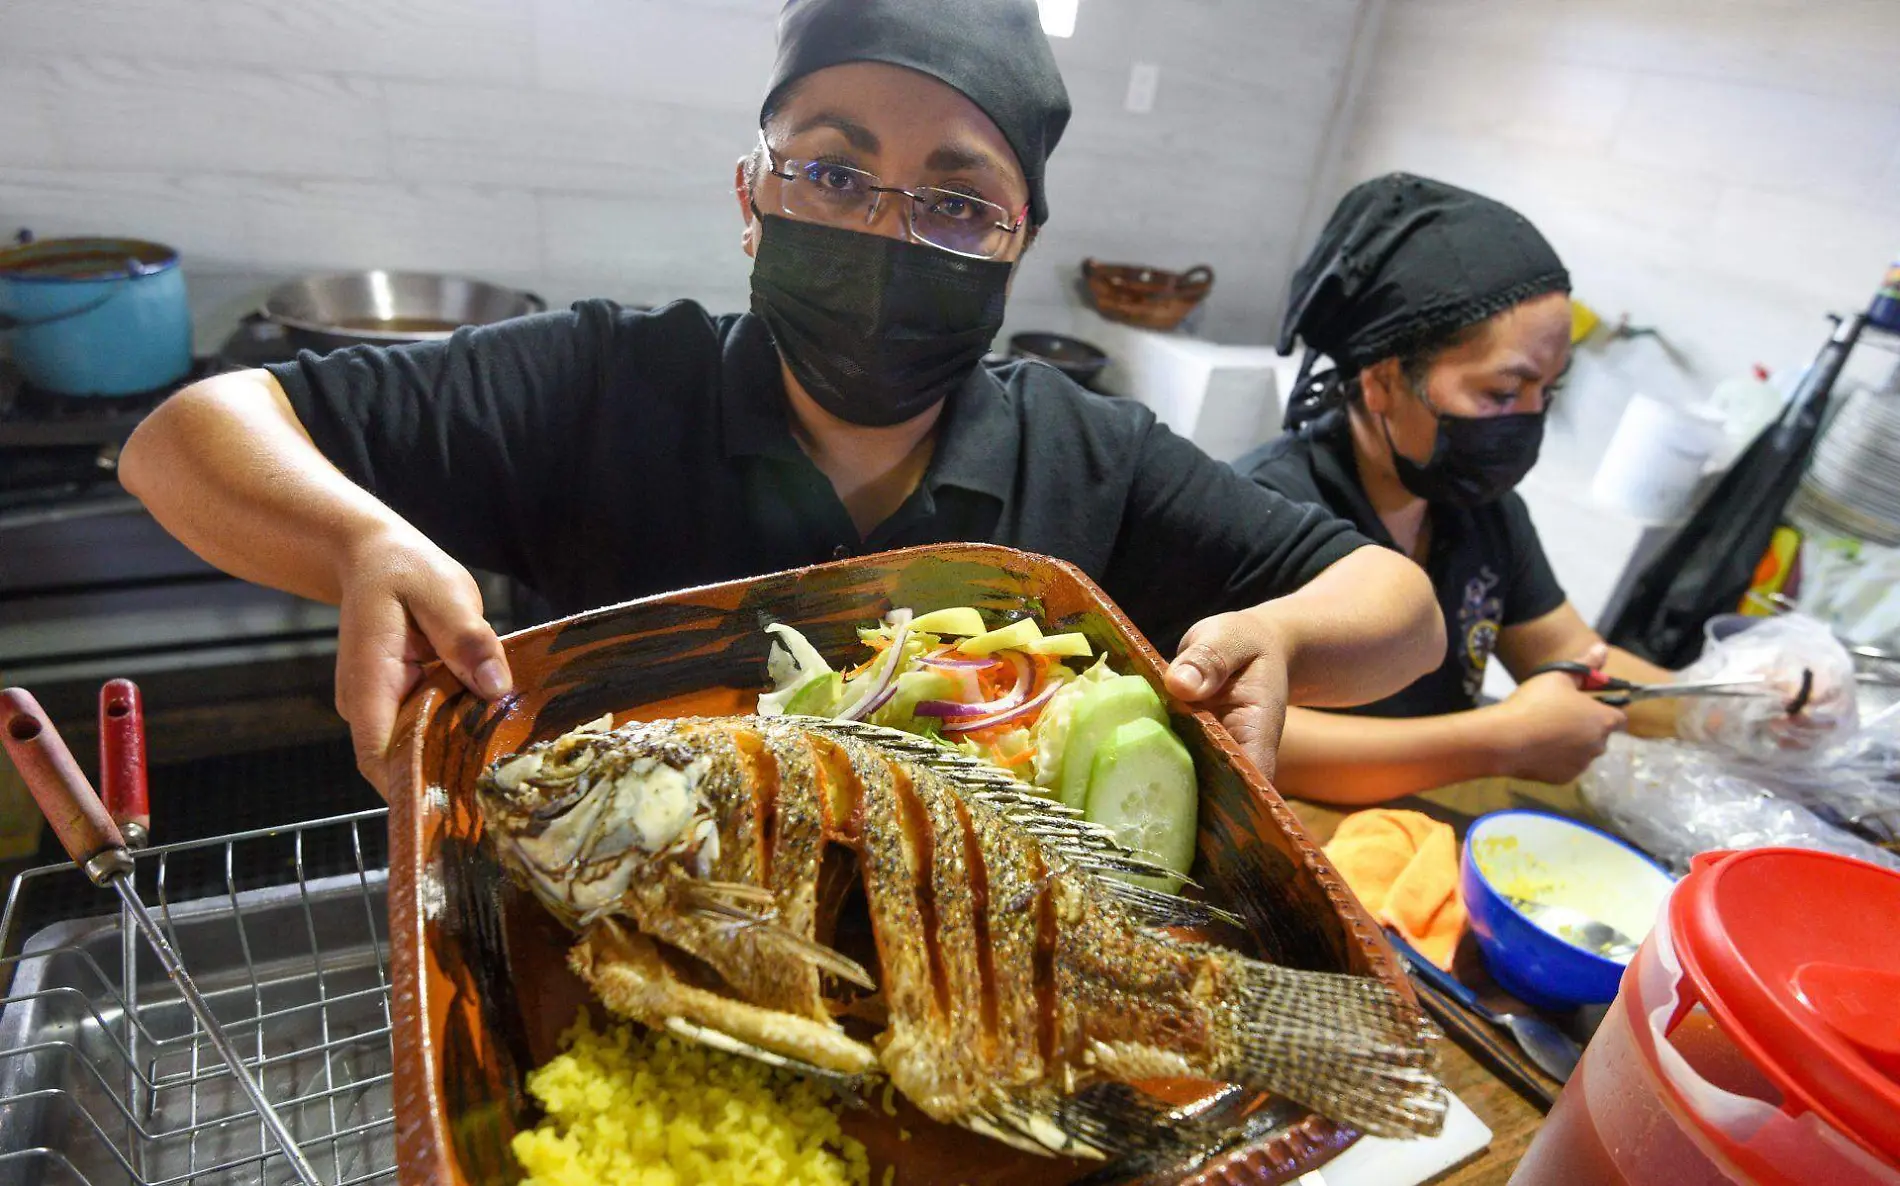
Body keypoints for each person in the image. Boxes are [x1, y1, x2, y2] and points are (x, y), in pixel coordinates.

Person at [121, 0, 1443, 796]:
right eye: (830, 172)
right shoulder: (598, 381)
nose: (885, 229)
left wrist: (1281, 638)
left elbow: (1401, 610)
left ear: (1017, 243)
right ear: (750, 201)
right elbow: (187, 439)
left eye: (956, 199)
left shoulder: (1089, 456)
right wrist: (364, 537)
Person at [1239, 174, 1676, 806]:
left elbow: (1571, 656)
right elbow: (1253, 735)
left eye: (1546, 393)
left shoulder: (1483, 511)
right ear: (1383, 381)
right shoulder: (1268, 505)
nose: (1528, 419)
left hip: (1432, 825)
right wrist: (1498, 739)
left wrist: (1729, 707)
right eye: (1502, 393)